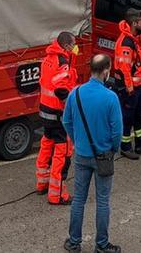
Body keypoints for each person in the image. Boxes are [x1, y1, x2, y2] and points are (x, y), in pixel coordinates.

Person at [63, 54, 123, 253]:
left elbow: (67, 122)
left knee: (79, 199)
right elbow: (117, 132)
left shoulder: (75, 93)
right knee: (103, 200)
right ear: (106, 71)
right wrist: (112, 149)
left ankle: (73, 243)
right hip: (103, 156)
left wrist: (78, 140)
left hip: (81, 155)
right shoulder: (110, 98)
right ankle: (102, 245)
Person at [37, 31, 79, 205]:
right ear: (67, 45)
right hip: (57, 113)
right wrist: (71, 105)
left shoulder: (48, 58)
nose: (75, 46)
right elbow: (60, 89)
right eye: (74, 44)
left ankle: (42, 183)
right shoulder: (62, 62)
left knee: (47, 144)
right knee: (62, 153)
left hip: (45, 110)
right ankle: (58, 194)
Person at [113, 8, 141, 160]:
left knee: (139, 115)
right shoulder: (127, 43)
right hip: (128, 87)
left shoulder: (134, 37)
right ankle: (125, 147)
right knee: (127, 117)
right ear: (134, 23)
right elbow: (125, 69)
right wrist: (130, 88)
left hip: (137, 86)